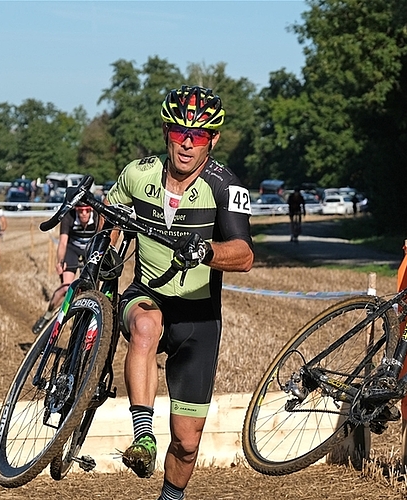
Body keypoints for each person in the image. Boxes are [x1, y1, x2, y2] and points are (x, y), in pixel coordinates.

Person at [105, 85, 253, 500]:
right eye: (180, 132)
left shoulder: (225, 186)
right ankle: (143, 437)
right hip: (146, 295)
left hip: (199, 319)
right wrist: (106, 251)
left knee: (187, 444)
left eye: (200, 135)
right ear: (167, 131)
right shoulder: (138, 173)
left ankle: (170, 497)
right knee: (147, 326)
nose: (188, 143)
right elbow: (111, 216)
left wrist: (205, 249)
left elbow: (243, 254)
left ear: (214, 140)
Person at [32, 193, 102, 334]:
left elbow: (102, 240)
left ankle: (87, 322)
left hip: (90, 251)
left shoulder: (97, 217)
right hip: (72, 249)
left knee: (94, 291)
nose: (83, 214)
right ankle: (47, 316)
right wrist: (60, 261)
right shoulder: (68, 217)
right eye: (80, 211)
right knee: (66, 288)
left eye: (87, 210)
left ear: (91, 210)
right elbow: (63, 242)